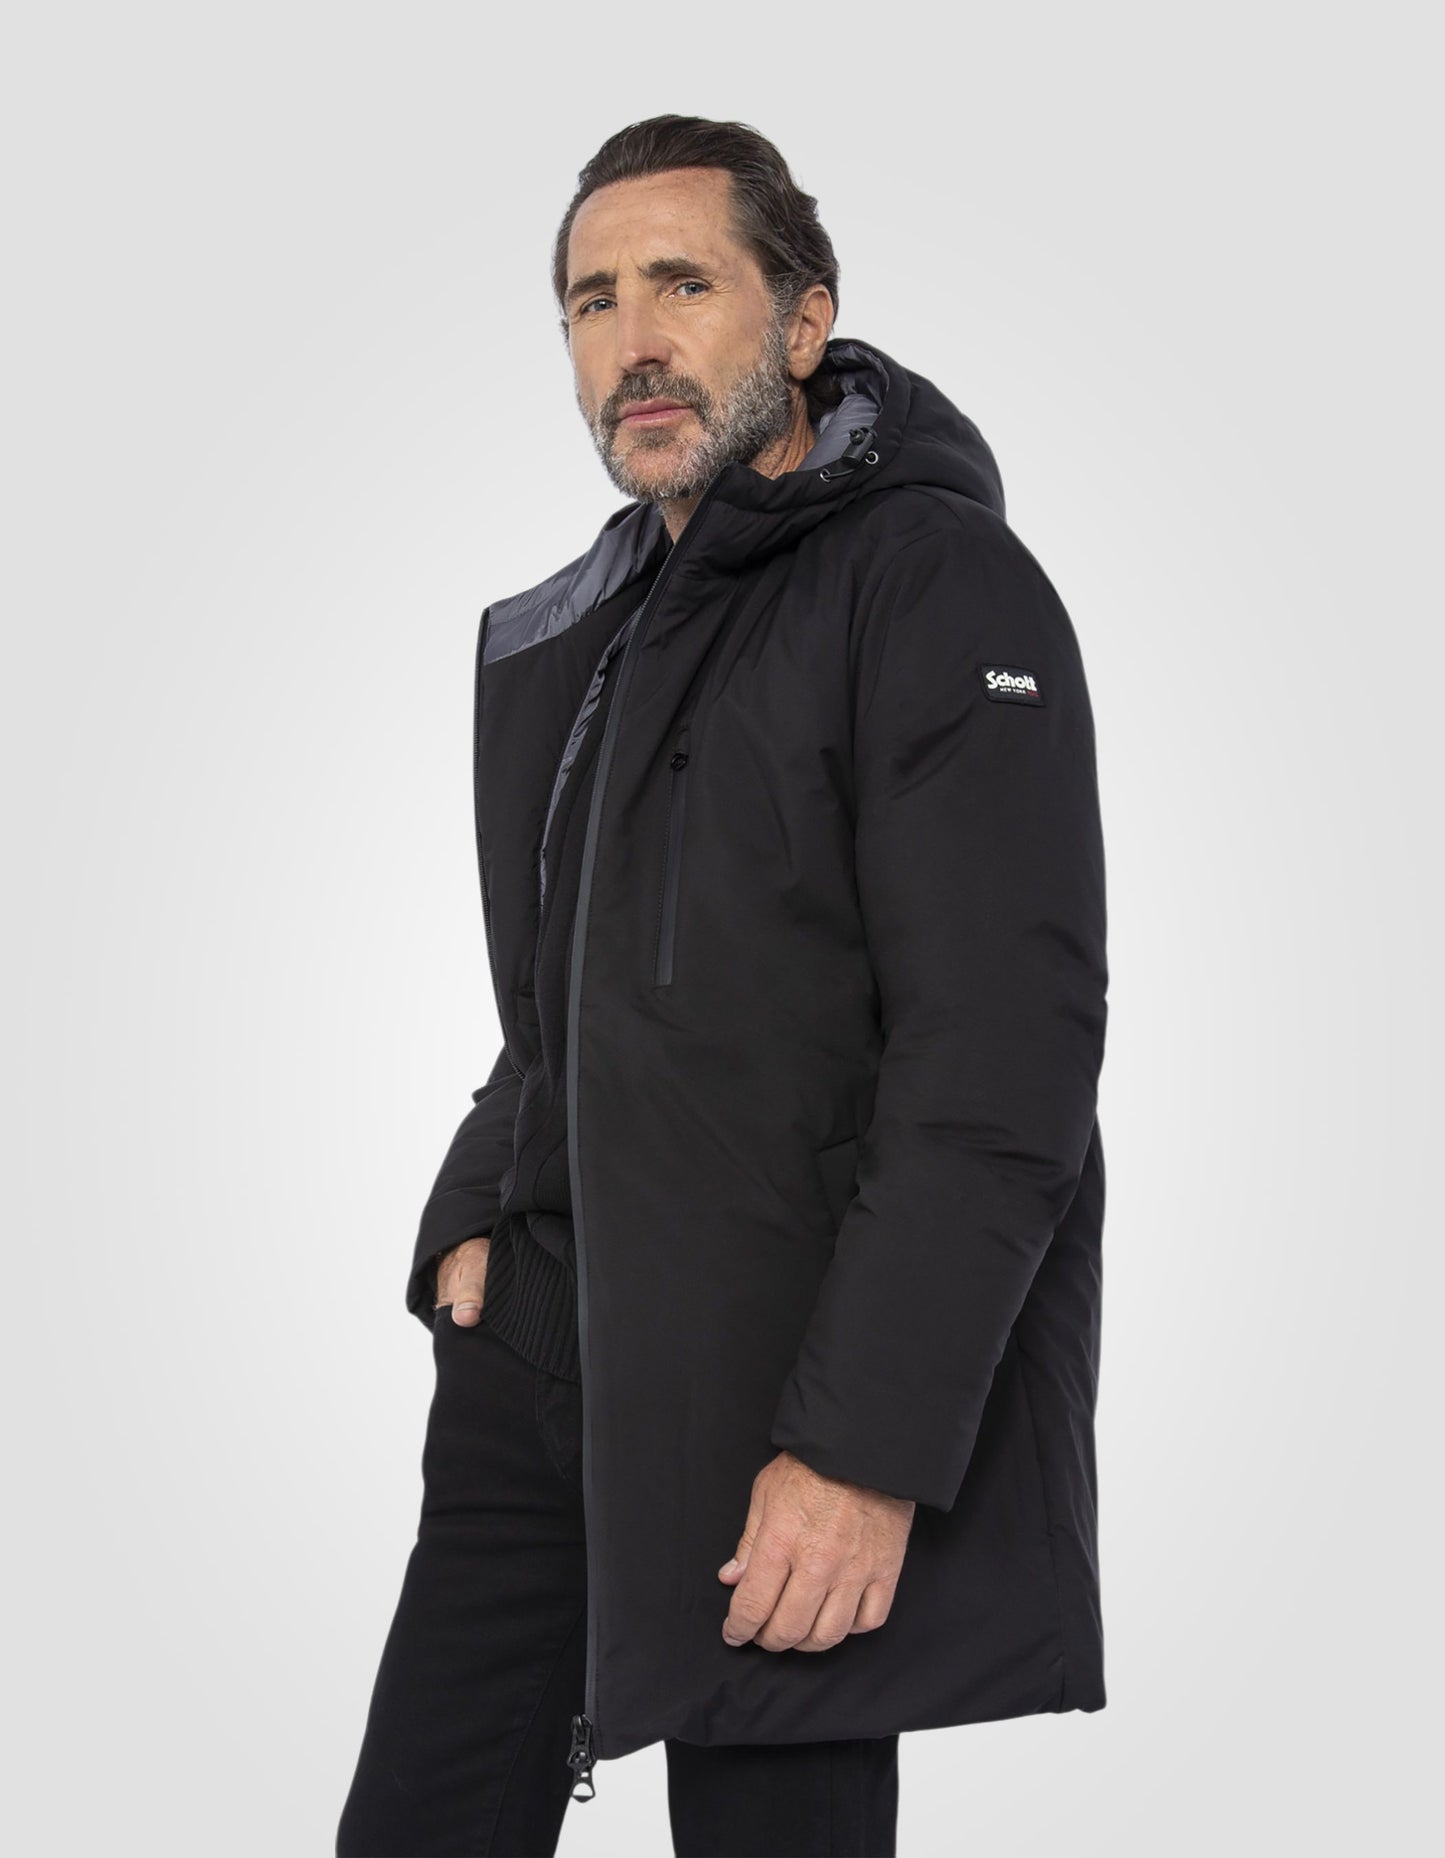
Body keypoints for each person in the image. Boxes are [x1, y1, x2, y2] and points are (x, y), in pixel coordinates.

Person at [336, 112, 1109, 1858]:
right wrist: (475, 1220)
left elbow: (1002, 1055)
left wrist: (864, 1447)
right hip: (539, 1352)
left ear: (804, 318)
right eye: (591, 299)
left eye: (683, 283)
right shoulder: (606, 621)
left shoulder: (934, 584)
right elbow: (563, 993)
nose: (634, 339)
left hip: (783, 1375)